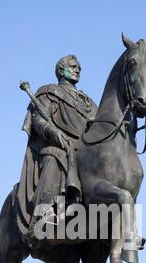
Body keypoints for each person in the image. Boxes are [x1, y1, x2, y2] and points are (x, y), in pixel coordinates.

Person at [17, 55, 97, 237]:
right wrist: (54, 134)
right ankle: (45, 211)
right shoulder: (49, 92)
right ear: (61, 70)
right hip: (57, 144)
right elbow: (38, 119)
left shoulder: (88, 102)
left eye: (79, 68)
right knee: (55, 157)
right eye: (73, 66)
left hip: (84, 147)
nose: (78, 70)